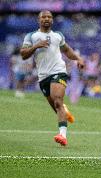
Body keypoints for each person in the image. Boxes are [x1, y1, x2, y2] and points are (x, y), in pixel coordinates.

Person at [20, 10, 85, 146]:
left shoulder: (58, 36)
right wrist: (36, 46)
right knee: (55, 105)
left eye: (49, 17)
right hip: (43, 76)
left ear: (52, 20)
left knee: (57, 102)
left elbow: (67, 50)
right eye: (43, 17)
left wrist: (78, 58)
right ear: (39, 20)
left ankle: (62, 136)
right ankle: (64, 110)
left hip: (59, 71)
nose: (47, 19)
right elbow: (23, 54)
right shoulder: (31, 36)